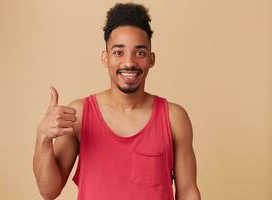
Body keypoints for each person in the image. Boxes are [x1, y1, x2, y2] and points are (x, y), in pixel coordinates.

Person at [33, 2, 201, 200]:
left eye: (140, 53)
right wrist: (43, 138)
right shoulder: (79, 114)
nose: (129, 62)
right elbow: (48, 190)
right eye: (118, 52)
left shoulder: (174, 118)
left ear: (151, 59)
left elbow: (188, 191)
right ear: (106, 58)